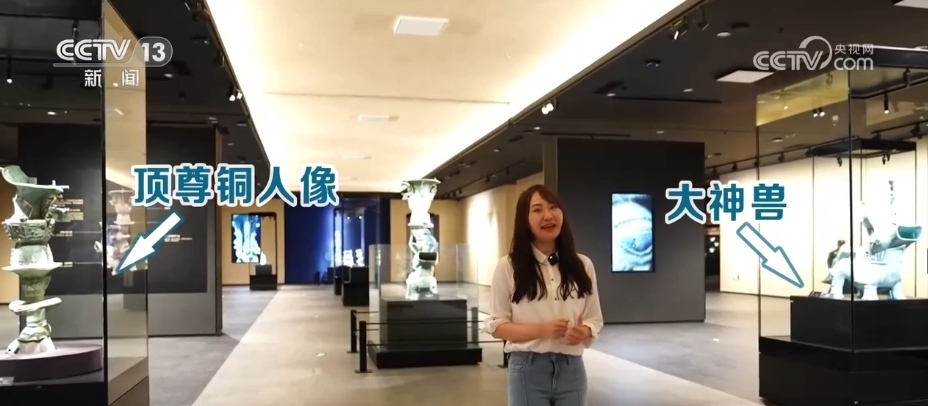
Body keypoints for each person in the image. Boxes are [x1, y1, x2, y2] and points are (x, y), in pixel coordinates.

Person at [485, 184, 603, 406]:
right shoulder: (509, 266)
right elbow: (497, 325)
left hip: (572, 369)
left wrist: (585, 331)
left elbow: (594, 319)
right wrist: (543, 330)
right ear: (525, 219)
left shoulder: (583, 265)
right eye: (538, 209)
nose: (548, 215)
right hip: (527, 369)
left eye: (553, 207)